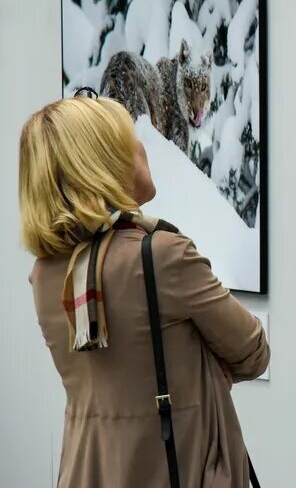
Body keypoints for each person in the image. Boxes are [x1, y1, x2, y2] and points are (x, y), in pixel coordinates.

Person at [20, 93, 269, 488]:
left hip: (88, 471)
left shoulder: (46, 274)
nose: (141, 144)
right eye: (127, 137)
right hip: (176, 472)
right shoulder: (162, 256)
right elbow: (254, 352)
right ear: (102, 163)